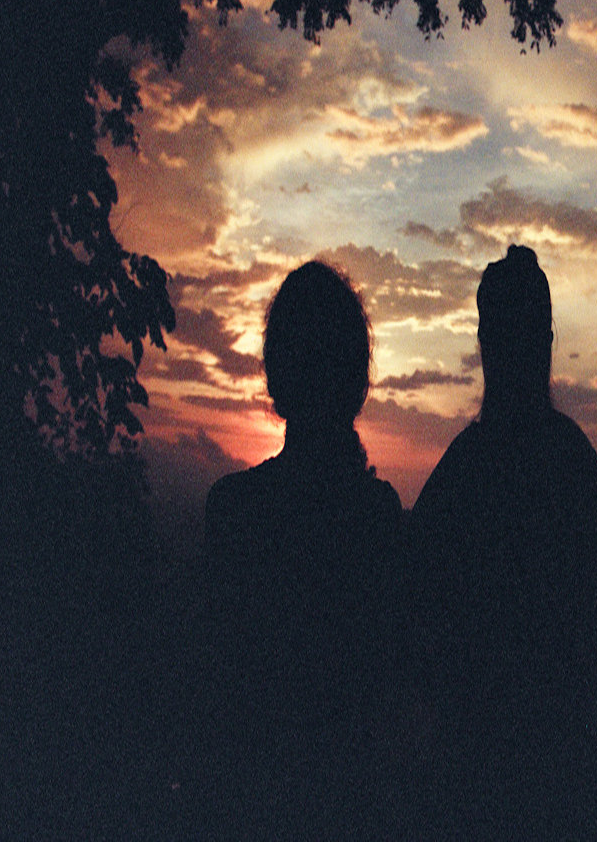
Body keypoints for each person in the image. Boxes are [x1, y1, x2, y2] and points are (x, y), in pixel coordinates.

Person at [409, 244, 597, 837]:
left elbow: (408, 589)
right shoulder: (565, 455)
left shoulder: (470, 463)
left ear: (484, 345)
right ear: (546, 342)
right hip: (547, 756)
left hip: (481, 755)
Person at [199, 261, 404, 840]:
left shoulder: (233, 512)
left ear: (276, 375)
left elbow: (215, 699)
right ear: (358, 381)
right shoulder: (377, 518)